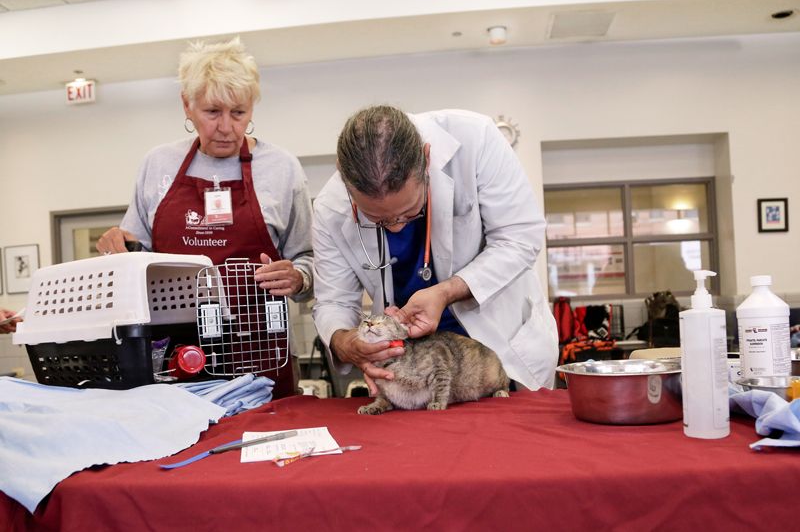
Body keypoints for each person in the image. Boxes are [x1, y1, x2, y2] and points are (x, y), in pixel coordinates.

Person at [96, 37, 314, 398]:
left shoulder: (282, 169)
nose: (226, 127)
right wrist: (115, 249)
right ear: (188, 105)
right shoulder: (157, 165)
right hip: (172, 361)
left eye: (239, 112)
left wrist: (299, 277)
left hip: (260, 356)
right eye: (213, 112)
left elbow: (310, 260)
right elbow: (132, 260)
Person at [312, 105, 558, 394]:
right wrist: (346, 343)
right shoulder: (330, 207)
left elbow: (519, 237)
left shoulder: (476, 139)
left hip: (498, 352)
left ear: (427, 160)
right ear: (345, 182)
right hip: (414, 372)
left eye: (408, 213)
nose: (395, 228)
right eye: (377, 220)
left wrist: (447, 291)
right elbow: (333, 301)